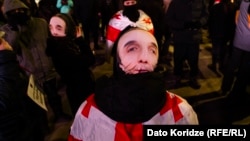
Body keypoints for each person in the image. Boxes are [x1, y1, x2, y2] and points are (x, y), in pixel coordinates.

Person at [68, 26, 199, 141]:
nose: (144, 58)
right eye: (132, 49)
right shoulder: (89, 111)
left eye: (152, 50)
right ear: (117, 59)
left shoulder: (181, 111)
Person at [0, 0, 71, 123]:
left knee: (54, 95)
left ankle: (59, 114)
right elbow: (10, 50)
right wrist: (16, 30)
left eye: (20, 10)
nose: (18, 13)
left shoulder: (40, 23)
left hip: (46, 68)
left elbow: (50, 42)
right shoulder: (6, 31)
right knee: (37, 104)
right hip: (30, 74)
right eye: (14, 12)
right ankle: (43, 125)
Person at [46, 13, 96, 115]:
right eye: (51, 28)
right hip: (81, 89)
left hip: (74, 89)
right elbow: (90, 59)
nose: (54, 32)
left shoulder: (58, 44)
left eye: (58, 28)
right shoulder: (63, 48)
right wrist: (80, 40)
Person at [0, 35, 47, 141]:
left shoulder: (8, 65)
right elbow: (3, 99)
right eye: (1, 41)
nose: (5, 42)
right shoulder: (6, 65)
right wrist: (4, 57)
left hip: (27, 124)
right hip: (17, 132)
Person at [166, 0, 209, 89]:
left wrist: (200, 23)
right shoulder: (175, 3)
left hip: (194, 38)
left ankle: (193, 78)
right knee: (178, 60)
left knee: (193, 60)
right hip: (180, 38)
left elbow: (206, 15)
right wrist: (183, 25)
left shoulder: (200, 2)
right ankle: (177, 78)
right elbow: (169, 20)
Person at [220, 0, 250, 102]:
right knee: (244, 69)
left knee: (232, 66)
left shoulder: (241, 2)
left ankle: (225, 88)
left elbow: (236, 20)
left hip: (238, 40)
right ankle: (237, 92)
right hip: (248, 43)